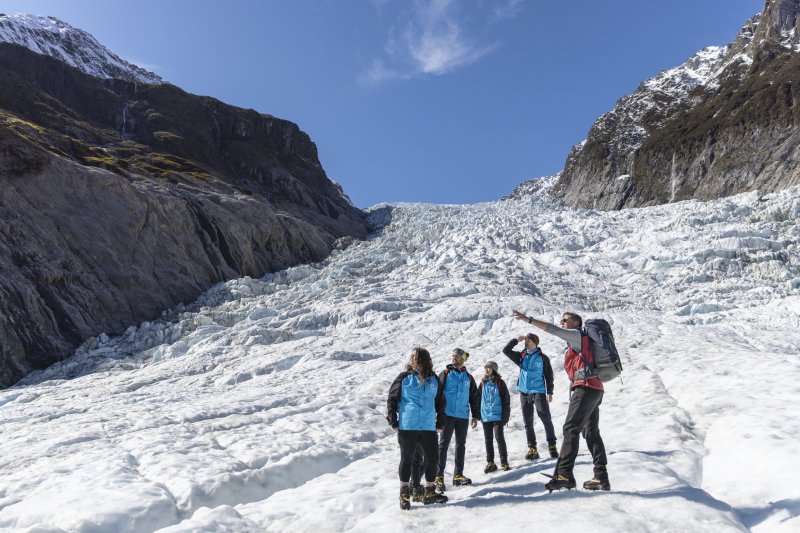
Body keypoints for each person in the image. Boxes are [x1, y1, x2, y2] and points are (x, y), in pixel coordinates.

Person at [513, 310, 610, 492]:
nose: (562, 322)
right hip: (594, 388)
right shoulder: (578, 343)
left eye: (566, 320)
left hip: (586, 387)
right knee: (591, 432)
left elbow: (553, 329)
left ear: (576, 322)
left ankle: (565, 474)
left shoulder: (577, 336)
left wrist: (528, 320)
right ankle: (601, 476)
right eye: (562, 320)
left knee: (571, 429)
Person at [387, 347, 449, 509]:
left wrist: (440, 422)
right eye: (411, 356)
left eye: (415, 357)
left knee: (433, 459)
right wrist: (393, 421)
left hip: (428, 426)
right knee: (407, 459)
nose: (412, 359)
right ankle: (404, 494)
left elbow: (441, 402)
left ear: (422, 359)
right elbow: (392, 400)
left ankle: (429, 491)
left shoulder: (434, 379)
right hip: (408, 426)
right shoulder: (404, 378)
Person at [502, 332, 558, 461]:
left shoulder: (543, 358)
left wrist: (550, 392)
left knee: (545, 418)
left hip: (538, 391)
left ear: (535, 343)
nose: (526, 343)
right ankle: (532, 449)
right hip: (524, 392)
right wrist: (516, 340)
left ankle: (552, 446)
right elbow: (506, 350)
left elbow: (548, 375)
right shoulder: (522, 356)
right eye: (525, 341)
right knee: (528, 422)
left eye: (529, 341)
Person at [435, 348, 480, 492]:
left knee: (461, 445)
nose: (454, 358)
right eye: (453, 355)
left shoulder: (469, 377)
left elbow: (474, 397)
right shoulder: (446, 374)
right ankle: (438, 476)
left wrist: (475, 415)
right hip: (447, 415)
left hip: (462, 416)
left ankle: (458, 475)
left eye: (457, 356)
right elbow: (437, 393)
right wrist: (436, 414)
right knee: (443, 445)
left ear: (463, 359)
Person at [478, 360, 511, 473]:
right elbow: (477, 399)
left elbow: (506, 400)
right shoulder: (482, 383)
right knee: (488, 440)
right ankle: (490, 462)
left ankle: (504, 462)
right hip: (485, 416)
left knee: (499, 438)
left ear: (494, 370)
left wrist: (505, 416)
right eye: (485, 367)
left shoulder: (500, 383)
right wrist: (478, 414)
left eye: (489, 367)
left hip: (497, 416)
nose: (486, 369)